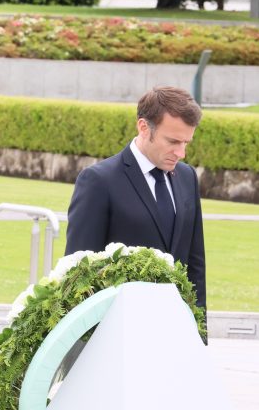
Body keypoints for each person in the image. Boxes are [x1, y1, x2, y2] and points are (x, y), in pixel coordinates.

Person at [65, 86, 206, 307]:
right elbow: (79, 273)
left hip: (175, 322)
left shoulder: (187, 177)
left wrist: (198, 327)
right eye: (173, 142)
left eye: (186, 143)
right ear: (143, 127)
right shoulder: (98, 181)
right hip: (118, 322)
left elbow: (195, 265)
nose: (181, 153)